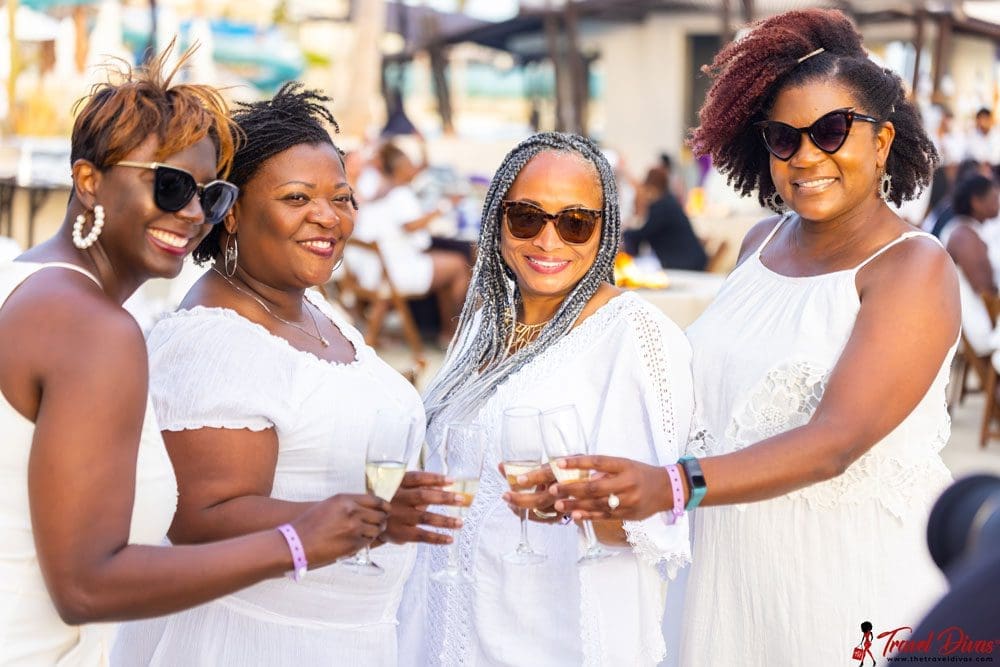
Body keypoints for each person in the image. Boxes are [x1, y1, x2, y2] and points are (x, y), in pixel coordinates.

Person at [547, 10, 958, 666]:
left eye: (831, 131)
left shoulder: (913, 267)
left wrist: (672, 484)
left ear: (881, 141)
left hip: (840, 581)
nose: (806, 156)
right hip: (727, 570)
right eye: (783, 138)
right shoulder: (759, 242)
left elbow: (835, 441)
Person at [0, 50, 392, 666]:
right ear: (88, 180)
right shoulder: (96, 330)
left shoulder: (24, 280)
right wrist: (297, 542)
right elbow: (84, 586)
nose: (191, 213)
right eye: (170, 184)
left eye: (210, 195)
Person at [111, 84, 462, 666]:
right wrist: (371, 517)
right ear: (231, 212)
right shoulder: (212, 340)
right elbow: (200, 517)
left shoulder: (314, 308)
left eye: (342, 198)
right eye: (297, 197)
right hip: (253, 642)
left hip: (350, 637)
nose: (327, 216)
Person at [400, 132, 694, 666]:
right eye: (527, 217)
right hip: (447, 630)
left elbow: (660, 525)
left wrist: (572, 506)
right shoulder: (486, 325)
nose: (548, 240)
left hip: (551, 641)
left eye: (575, 222)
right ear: (498, 219)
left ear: (605, 230)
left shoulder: (634, 336)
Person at [345, 141, 471, 341]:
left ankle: (443, 330)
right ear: (399, 169)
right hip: (392, 275)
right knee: (459, 266)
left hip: (372, 270)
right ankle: (451, 333)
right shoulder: (400, 193)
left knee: (446, 262)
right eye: (409, 165)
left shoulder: (379, 191)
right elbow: (410, 225)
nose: (413, 169)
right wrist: (445, 206)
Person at [941, 174, 1000, 356]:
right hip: (982, 325)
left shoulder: (971, 229)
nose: (998, 202)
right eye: (994, 197)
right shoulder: (963, 235)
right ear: (976, 202)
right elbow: (986, 290)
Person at [623, 167, 708, 270]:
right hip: (691, 261)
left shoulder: (663, 207)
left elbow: (642, 233)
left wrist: (623, 234)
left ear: (651, 187)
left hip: (685, 264)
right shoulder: (668, 203)